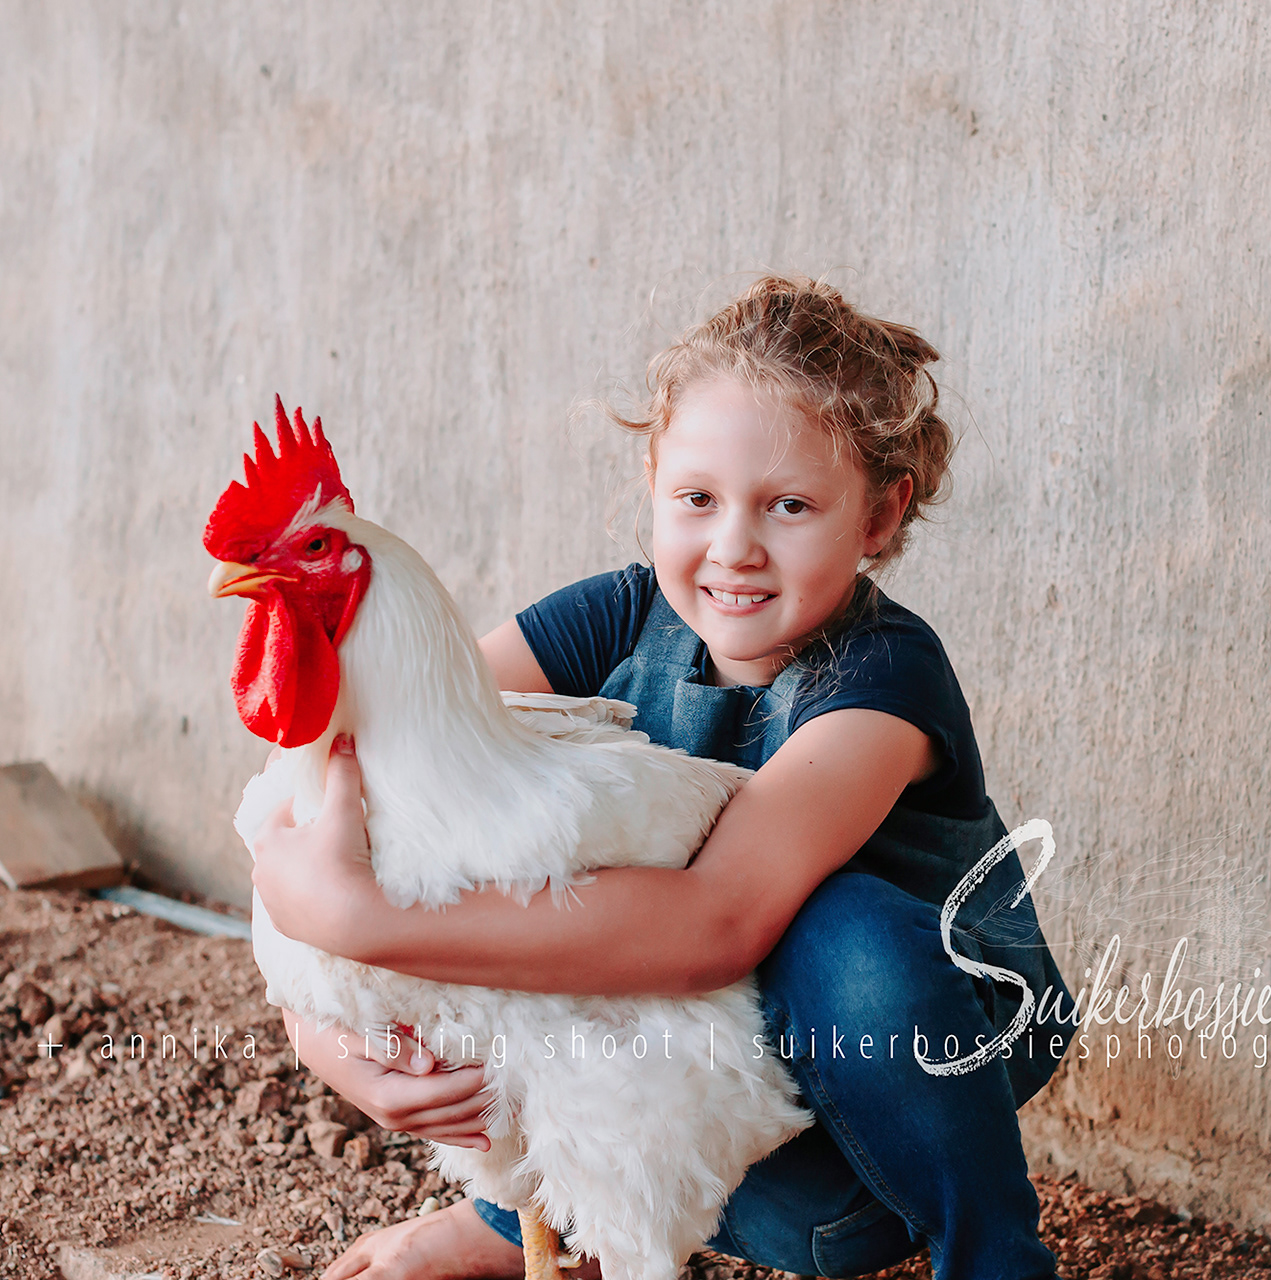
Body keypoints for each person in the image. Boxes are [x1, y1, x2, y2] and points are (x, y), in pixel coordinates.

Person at [252, 277, 1075, 1280]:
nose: (734, 545)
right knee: (502, 861)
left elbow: (713, 926)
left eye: (790, 505)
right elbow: (394, 775)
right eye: (698, 498)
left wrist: (358, 921)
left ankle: (999, 1260)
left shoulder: (879, 677)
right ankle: (531, 1224)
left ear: (880, 514)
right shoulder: (611, 616)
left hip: (865, 1147)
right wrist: (324, 1029)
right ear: (653, 479)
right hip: (700, 1112)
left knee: (837, 925)